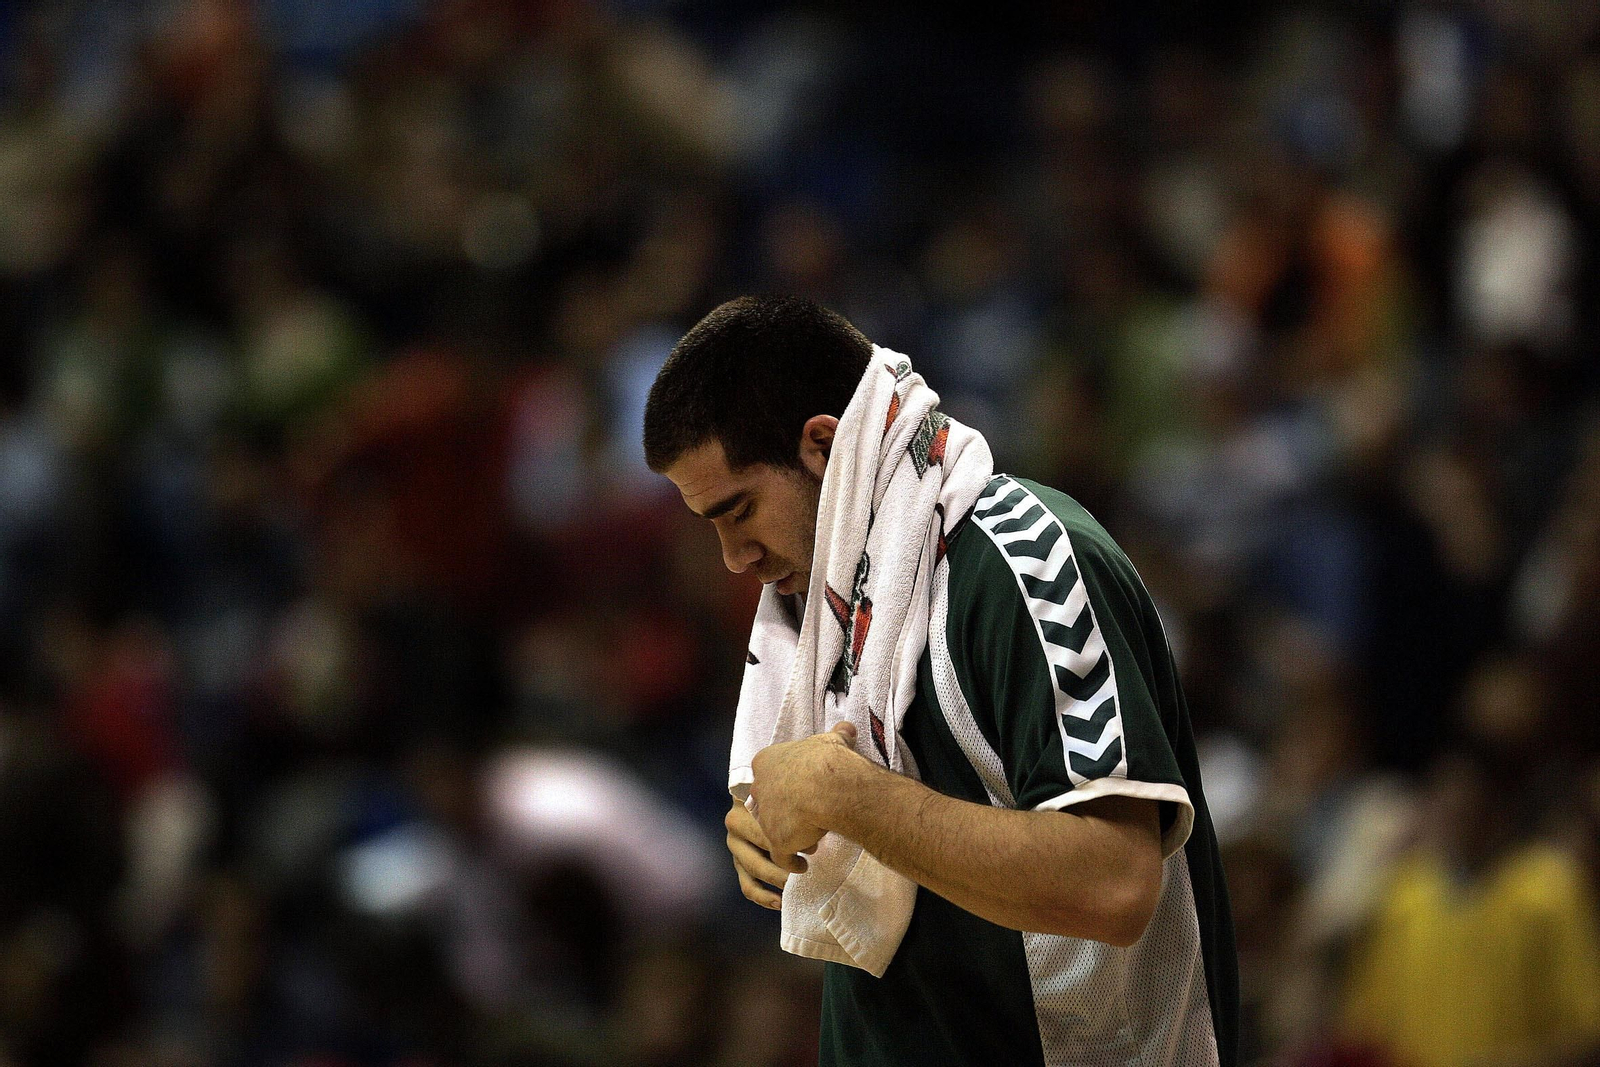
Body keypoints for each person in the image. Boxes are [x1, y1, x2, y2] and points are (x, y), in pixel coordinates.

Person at [643, 295, 1237, 1066]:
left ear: (822, 444)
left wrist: (846, 795)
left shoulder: (1025, 561)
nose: (733, 558)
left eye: (740, 510)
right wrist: (771, 825)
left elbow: (1114, 882)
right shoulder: (821, 598)